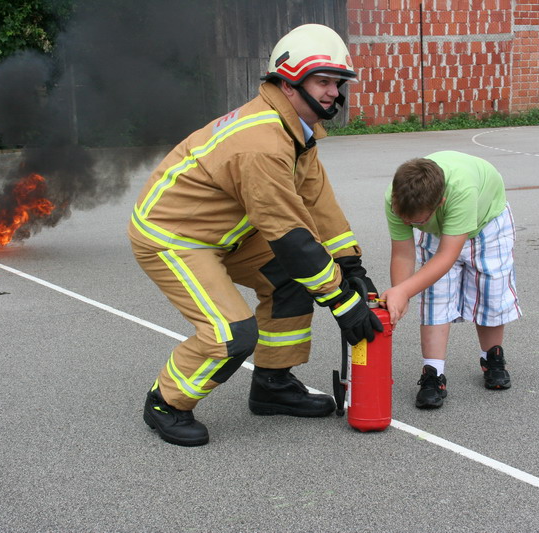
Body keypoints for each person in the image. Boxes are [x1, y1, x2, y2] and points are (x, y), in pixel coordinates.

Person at [128, 24, 382, 446]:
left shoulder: (296, 131)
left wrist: (351, 265)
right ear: (289, 83)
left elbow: (318, 202)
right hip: (173, 236)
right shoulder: (262, 142)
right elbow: (290, 236)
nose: (333, 92)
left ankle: (272, 384)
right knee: (232, 333)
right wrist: (342, 302)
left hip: (229, 231)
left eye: (338, 83)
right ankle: (165, 403)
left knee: (291, 283)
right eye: (323, 81)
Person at [381, 151, 521, 409]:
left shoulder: (461, 192)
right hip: (439, 229)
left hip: (487, 224)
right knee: (436, 295)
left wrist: (404, 291)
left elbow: (447, 255)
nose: (407, 223)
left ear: (440, 202)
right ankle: (433, 373)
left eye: (416, 222)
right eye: (403, 218)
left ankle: (492, 358)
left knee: (489, 292)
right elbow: (402, 253)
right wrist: (401, 293)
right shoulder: (397, 197)